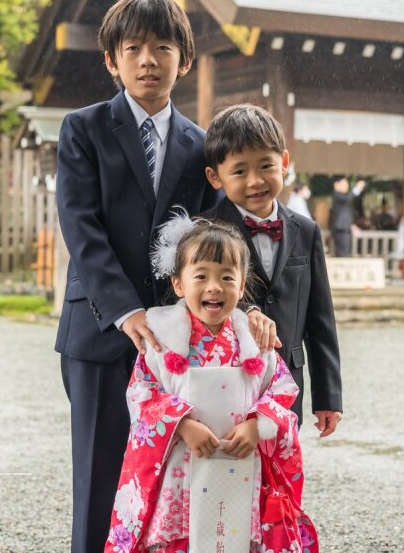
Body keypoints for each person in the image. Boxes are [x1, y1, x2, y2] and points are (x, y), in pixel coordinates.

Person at [54, 0, 276, 553]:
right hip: (104, 330)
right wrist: (127, 310)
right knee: (101, 476)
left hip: (184, 340)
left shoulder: (201, 146)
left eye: (162, 47)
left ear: (186, 58)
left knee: (178, 478)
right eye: (132, 49)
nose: (147, 60)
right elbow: (81, 227)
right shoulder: (84, 130)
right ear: (111, 60)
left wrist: (248, 311)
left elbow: (223, 242)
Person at [106, 218, 318, 552]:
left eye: (227, 277)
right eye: (201, 276)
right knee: (179, 539)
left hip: (241, 464)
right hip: (179, 466)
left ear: (243, 284)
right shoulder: (161, 337)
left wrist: (257, 425)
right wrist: (181, 425)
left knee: (234, 537)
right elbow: (141, 391)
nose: (214, 286)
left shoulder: (253, 339)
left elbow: (281, 388)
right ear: (178, 284)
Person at [203, 104, 343, 432]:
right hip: (227, 379)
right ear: (215, 177)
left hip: (287, 381)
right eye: (239, 171)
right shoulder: (205, 230)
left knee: (281, 472)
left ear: (283, 162)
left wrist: (328, 396)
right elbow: (198, 299)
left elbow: (320, 319)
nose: (255, 181)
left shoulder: (306, 231)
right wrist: (244, 310)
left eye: (266, 166)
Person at [330, 177, 365, 257]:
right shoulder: (337, 195)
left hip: (344, 228)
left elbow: (345, 214)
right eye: (344, 183)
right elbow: (348, 198)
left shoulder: (342, 197)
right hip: (341, 229)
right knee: (343, 254)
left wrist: (351, 225)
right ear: (336, 184)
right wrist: (357, 188)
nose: (347, 186)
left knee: (345, 252)